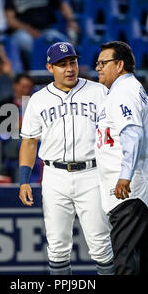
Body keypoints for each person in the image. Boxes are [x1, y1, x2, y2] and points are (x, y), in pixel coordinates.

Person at [19, 42, 114, 275]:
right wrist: (23, 179)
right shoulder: (38, 100)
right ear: (50, 67)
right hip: (54, 176)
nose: (69, 68)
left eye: (72, 62)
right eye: (62, 64)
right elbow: (29, 142)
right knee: (57, 249)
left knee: (101, 246)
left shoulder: (99, 91)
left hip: (92, 174)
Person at [94, 41, 148, 275]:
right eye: (97, 63)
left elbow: (132, 134)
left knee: (125, 260)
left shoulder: (123, 92)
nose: (98, 68)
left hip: (129, 190)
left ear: (120, 65)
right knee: (143, 259)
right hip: (141, 189)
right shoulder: (131, 89)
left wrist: (125, 176)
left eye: (104, 63)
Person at [5, 0, 79, 69]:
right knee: (26, 42)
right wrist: (29, 30)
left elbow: (63, 5)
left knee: (61, 42)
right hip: (23, 32)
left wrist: (71, 20)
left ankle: (61, 71)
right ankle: (35, 72)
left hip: (46, 30)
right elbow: (10, 20)